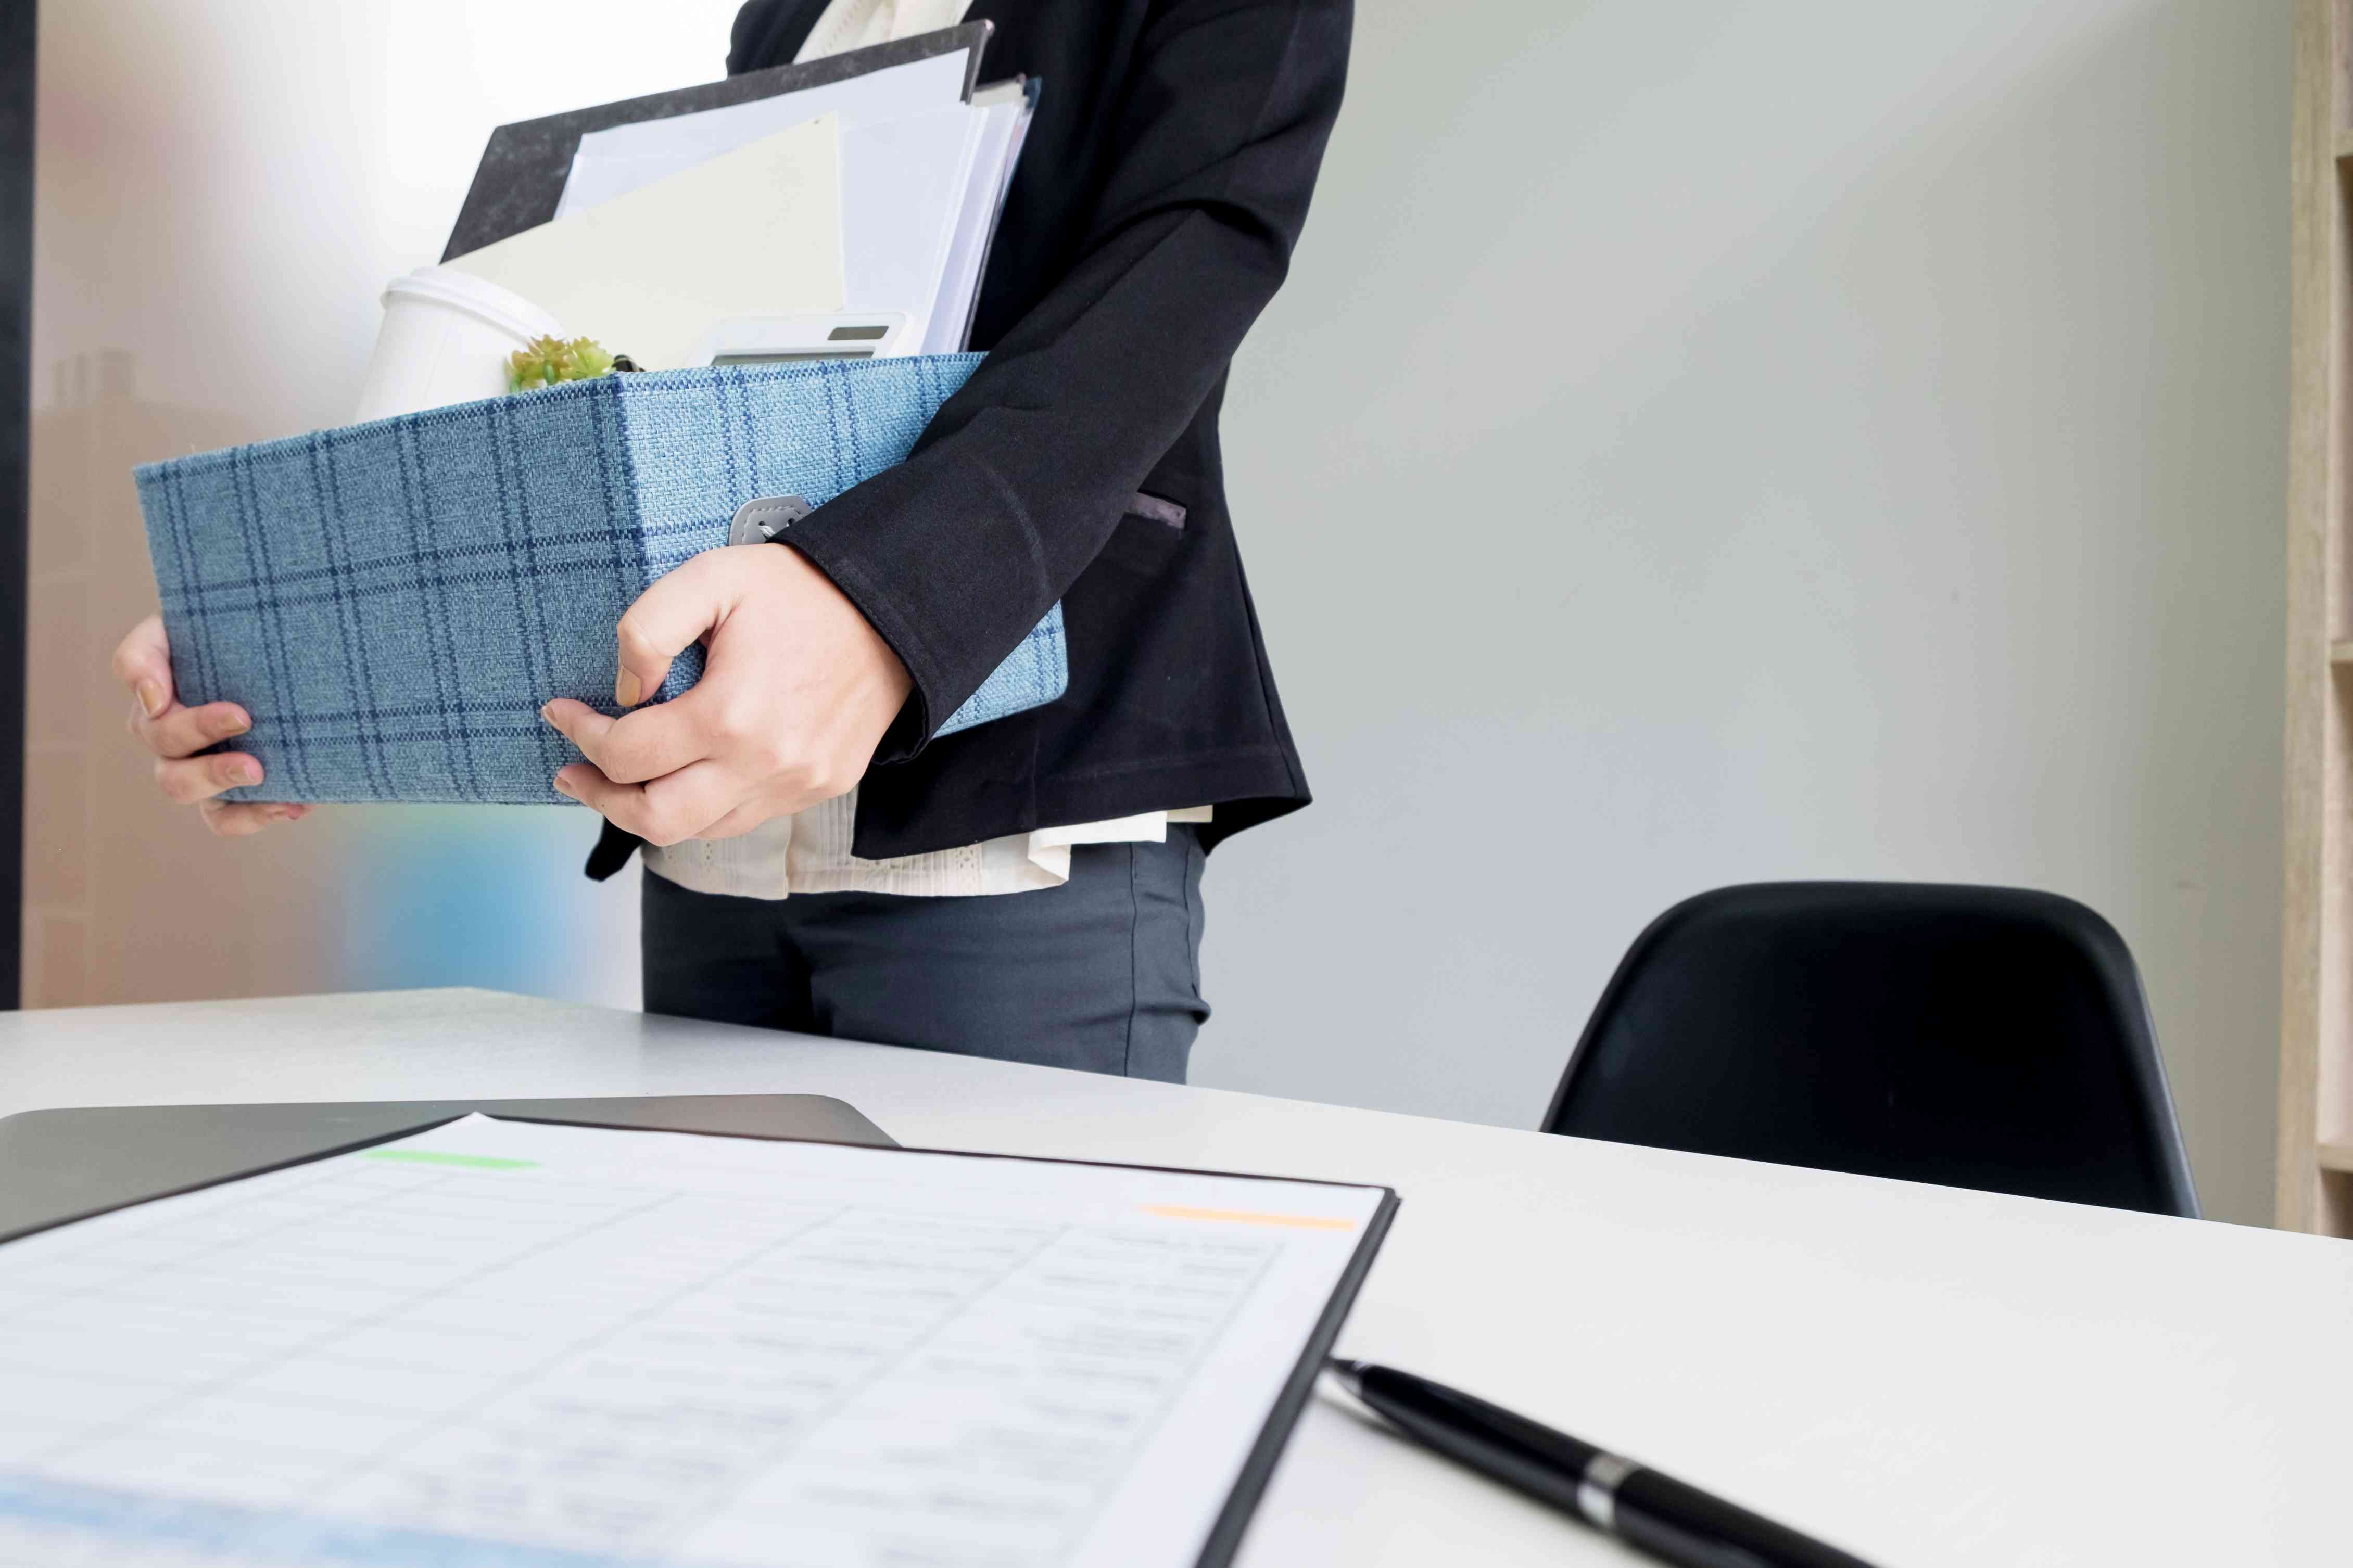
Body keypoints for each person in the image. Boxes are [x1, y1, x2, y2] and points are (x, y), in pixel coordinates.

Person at [111, 0, 1351, 1083]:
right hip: (714, 851)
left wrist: (887, 604)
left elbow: (1168, 290)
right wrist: (313, 634)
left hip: (1006, 832)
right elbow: (685, 383)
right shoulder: (781, 14)